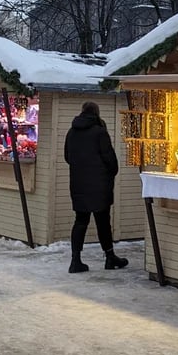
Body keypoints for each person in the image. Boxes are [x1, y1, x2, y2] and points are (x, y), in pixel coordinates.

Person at [64, 100, 127, 273]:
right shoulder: (100, 132)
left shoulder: (71, 132)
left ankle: (75, 260)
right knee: (103, 221)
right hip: (100, 185)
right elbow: (110, 160)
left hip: (78, 183)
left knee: (80, 220)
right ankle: (109, 257)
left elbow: (67, 157)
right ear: (96, 113)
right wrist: (109, 173)